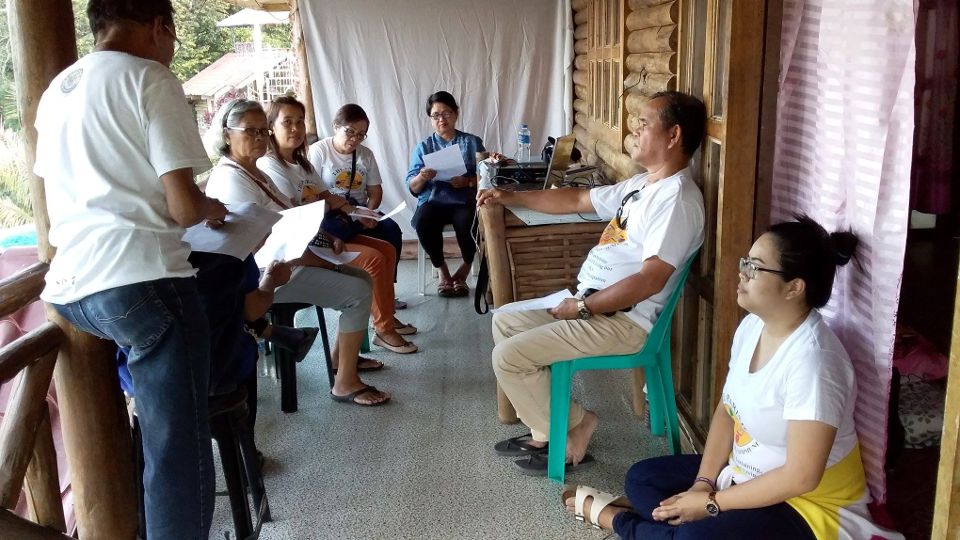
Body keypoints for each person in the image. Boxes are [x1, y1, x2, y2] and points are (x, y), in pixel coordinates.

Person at [562, 216, 904, 540]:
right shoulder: (754, 326)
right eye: (745, 262)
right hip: (741, 476)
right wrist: (703, 483)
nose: (741, 274)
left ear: (794, 288)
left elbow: (802, 476)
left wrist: (713, 504)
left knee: (697, 535)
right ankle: (669, 527)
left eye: (754, 268)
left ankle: (621, 521)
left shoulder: (815, 363)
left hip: (807, 506)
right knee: (642, 478)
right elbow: (728, 411)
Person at [33, 1, 227, 538]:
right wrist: (214, 208)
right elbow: (184, 207)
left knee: (156, 435)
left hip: (73, 291)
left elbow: (54, 195)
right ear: (160, 27)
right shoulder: (151, 79)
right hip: (144, 282)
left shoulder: (56, 91)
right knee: (178, 453)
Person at [476, 91, 707, 476]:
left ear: (673, 135)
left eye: (644, 123)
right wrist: (511, 196)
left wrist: (585, 308)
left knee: (509, 358)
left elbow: (651, 280)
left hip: (623, 322)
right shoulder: (643, 185)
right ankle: (549, 430)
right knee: (505, 322)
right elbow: (578, 199)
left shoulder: (677, 201)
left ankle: (576, 424)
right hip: (594, 306)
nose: (635, 130)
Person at [205, 99, 392, 405]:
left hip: (286, 264)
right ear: (227, 135)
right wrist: (326, 262)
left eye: (261, 130)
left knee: (361, 275)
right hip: (266, 276)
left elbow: (291, 216)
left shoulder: (256, 173)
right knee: (357, 289)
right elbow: (269, 243)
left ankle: (341, 358)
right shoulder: (232, 178)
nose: (259, 137)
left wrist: (325, 239)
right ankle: (344, 383)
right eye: (249, 131)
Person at [258, 97, 418, 354]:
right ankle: (382, 329)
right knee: (374, 259)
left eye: (300, 122)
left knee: (388, 241)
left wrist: (361, 211)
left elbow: (330, 197)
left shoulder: (302, 163)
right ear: (270, 127)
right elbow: (298, 214)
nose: (296, 129)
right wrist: (339, 211)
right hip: (303, 247)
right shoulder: (274, 164)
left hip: (325, 231)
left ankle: (384, 313)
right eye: (287, 122)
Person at [304, 102, 407, 310]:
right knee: (350, 238)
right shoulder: (319, 151)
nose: (355, 139)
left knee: (392, 229)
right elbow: (312, 194)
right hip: (332, 213)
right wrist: (352, 213)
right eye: (350, 131)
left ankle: (388, 291)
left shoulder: (365, 155)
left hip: (359, 210)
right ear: (336, 127)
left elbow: (375, 191)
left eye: (361, 134)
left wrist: (369, 212)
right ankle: (357, 290)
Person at [406, 91, 485, 297]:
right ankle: (443, 271)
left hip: (463, 200)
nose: (442, 119)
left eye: (447, 113)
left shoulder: (472, 142)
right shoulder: (424, 147)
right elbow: (412, 187)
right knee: (423, 221)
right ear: (430, 118)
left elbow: (486, 177)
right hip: (434, 201)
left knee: (468, 220)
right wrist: (423, 177)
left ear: (456, 113)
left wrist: (467, 181)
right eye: (436, 115)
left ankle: (465, 267)